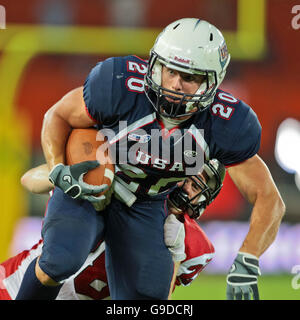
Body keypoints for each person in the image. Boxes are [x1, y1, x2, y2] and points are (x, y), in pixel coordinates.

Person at [15, 18, 285, 300]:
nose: (175, 84)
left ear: (212, 82)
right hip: (93, 186)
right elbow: (57, 115)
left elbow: (268, 197)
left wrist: (248, 259)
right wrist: (58, 167)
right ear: (156, 64)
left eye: (189, 78)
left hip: (146, 205)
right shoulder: (119, 84)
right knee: (57, 262)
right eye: (170, 71)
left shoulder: (227, 123)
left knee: (147, 297)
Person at [1, 159, 223, 300]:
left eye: (195, 185)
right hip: (16, 287)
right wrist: (61, 175)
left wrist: (174, 255)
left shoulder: (193, 245)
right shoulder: (116, 181)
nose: (185, 188)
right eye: (185, 178)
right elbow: (28, 179)